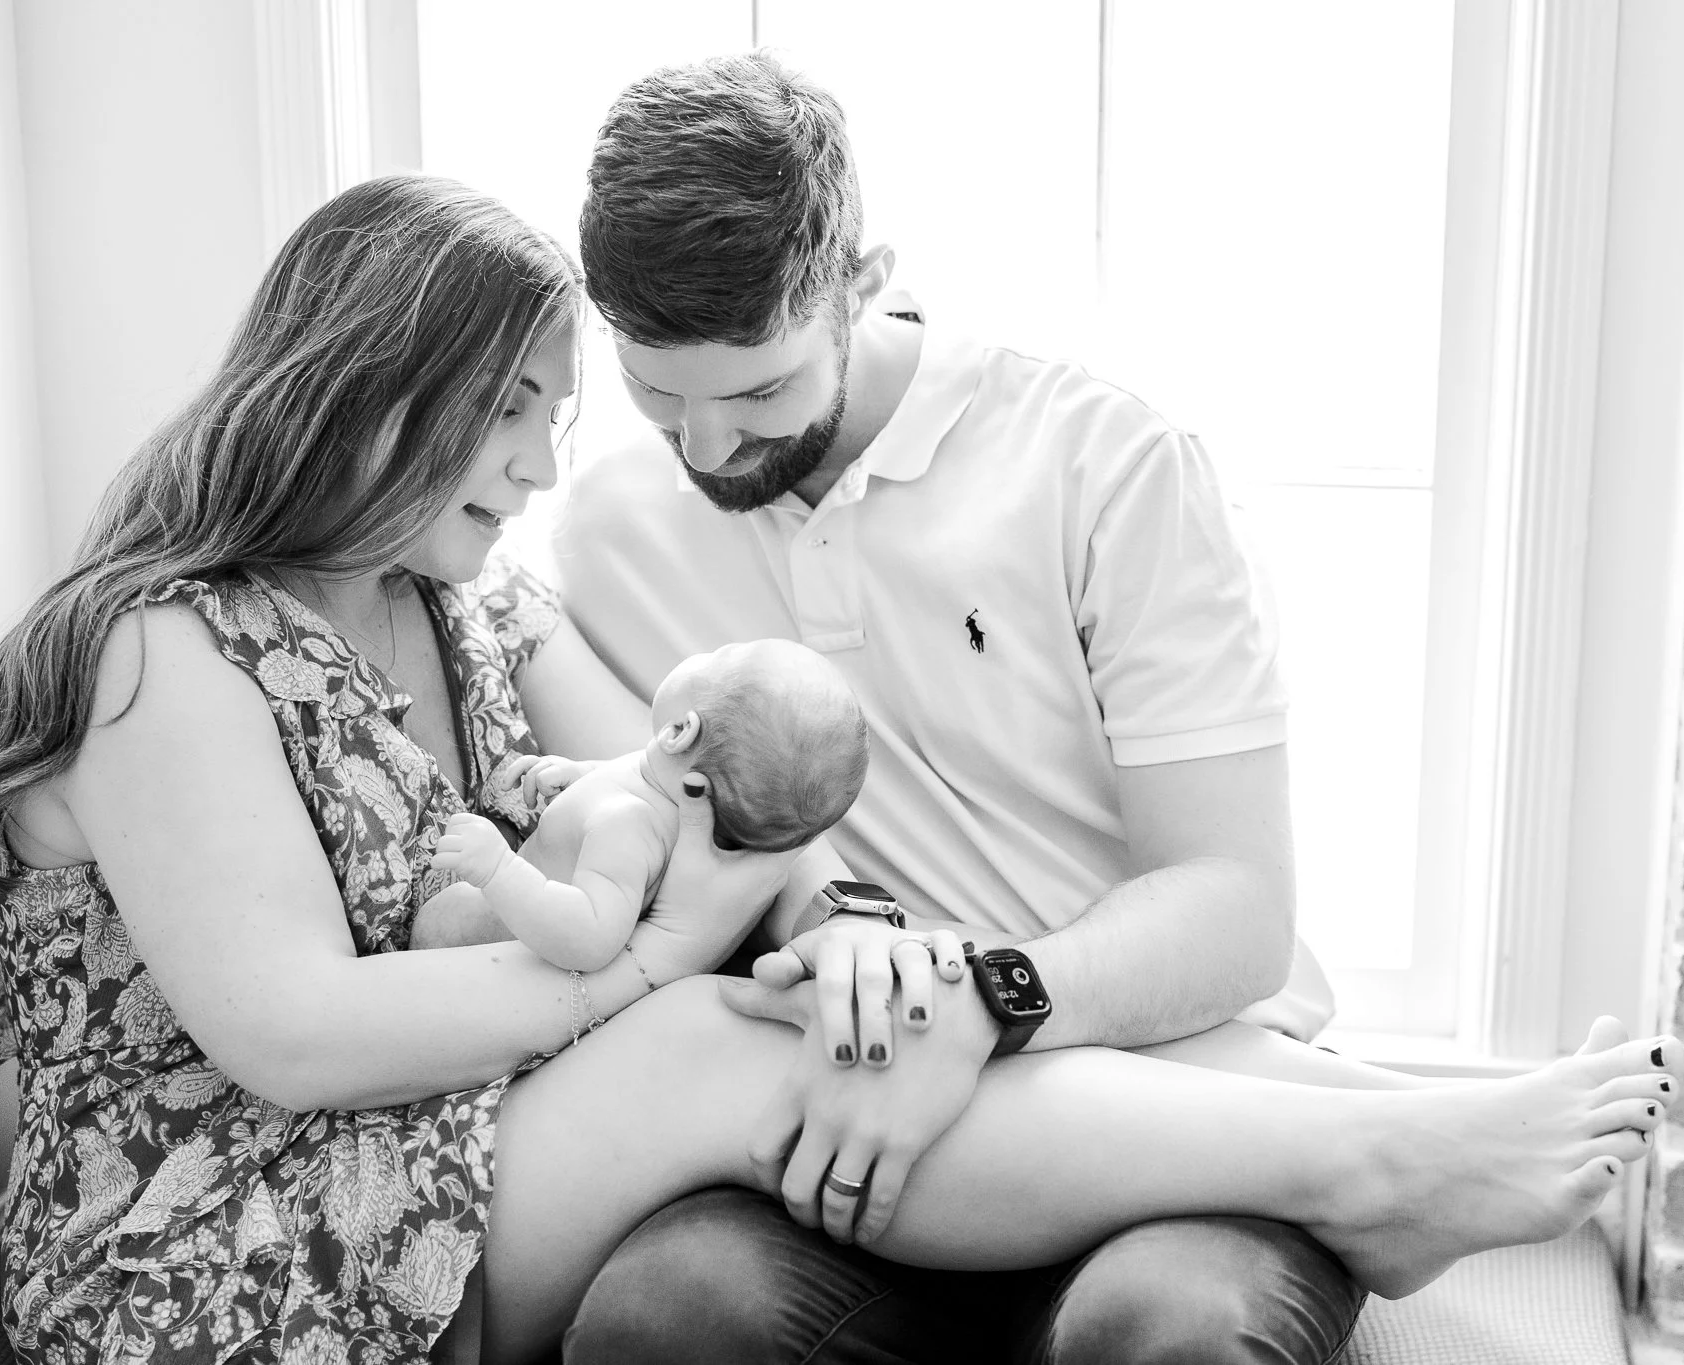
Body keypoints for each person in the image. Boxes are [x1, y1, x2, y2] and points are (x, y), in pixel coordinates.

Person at [0, 173, 1677, 1365]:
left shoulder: (463, 607)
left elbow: (717, 801)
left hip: (444, 1144)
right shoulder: (160, 646)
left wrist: (847, 945)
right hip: (224, 1226)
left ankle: (1372, 1137)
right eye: (510, 411)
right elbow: (294, 1036)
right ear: (373, 390)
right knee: (703, 1026)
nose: (544, 463)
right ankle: (1365, 1174)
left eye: (548, 415)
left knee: (796, 1004)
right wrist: (664, 960)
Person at [544, 51, 1565, 1364]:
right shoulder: (608, 530)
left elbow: (1236, 909)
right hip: (858, 1135)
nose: (705, 450)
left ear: (860, 284)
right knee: (661, 1322)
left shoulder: (1103, 465)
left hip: (1176, 1108)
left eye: (755, 392)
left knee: (1173, 1334)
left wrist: (991, 1000)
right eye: (653, 390)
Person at [426, 638, 873, 970]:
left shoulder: (627, 826)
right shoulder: (662, 792)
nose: (704, 652)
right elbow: (628, 779)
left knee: (443, 922)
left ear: (679, 731)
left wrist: (499, 870)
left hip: (488, 958)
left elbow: (591, 936)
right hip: (486, 952)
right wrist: (579, 774)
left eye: (717, 656)